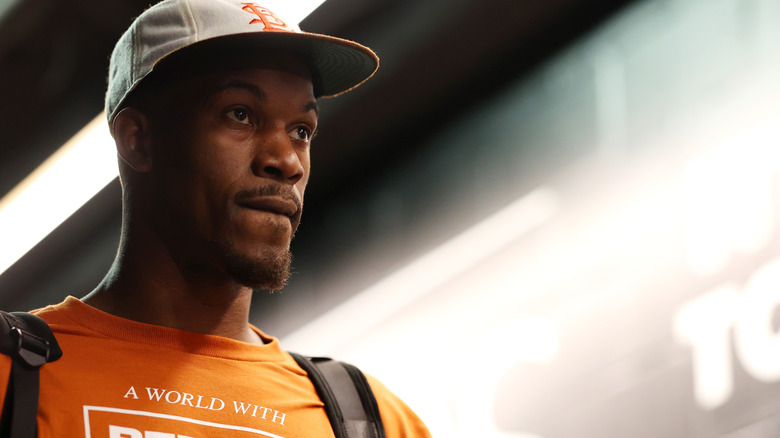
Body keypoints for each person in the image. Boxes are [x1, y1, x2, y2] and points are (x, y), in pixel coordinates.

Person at [0, 0, 431, 436]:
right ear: (138, 140)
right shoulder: (10, 376)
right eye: (240, 114)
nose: (286, 161)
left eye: (301, 130)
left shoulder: (376, 419)